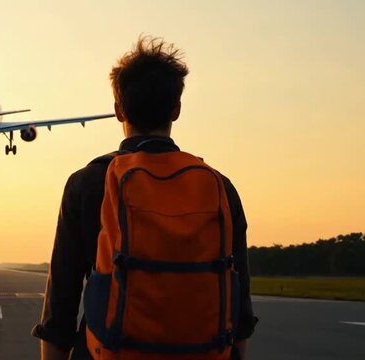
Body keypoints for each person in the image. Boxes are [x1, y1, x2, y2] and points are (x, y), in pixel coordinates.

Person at [32, 36, 257, 360]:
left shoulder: (87, 184)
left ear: (118, 110)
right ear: (176, 110)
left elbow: (60, 313)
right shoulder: (219, 186)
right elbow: (240, 315)